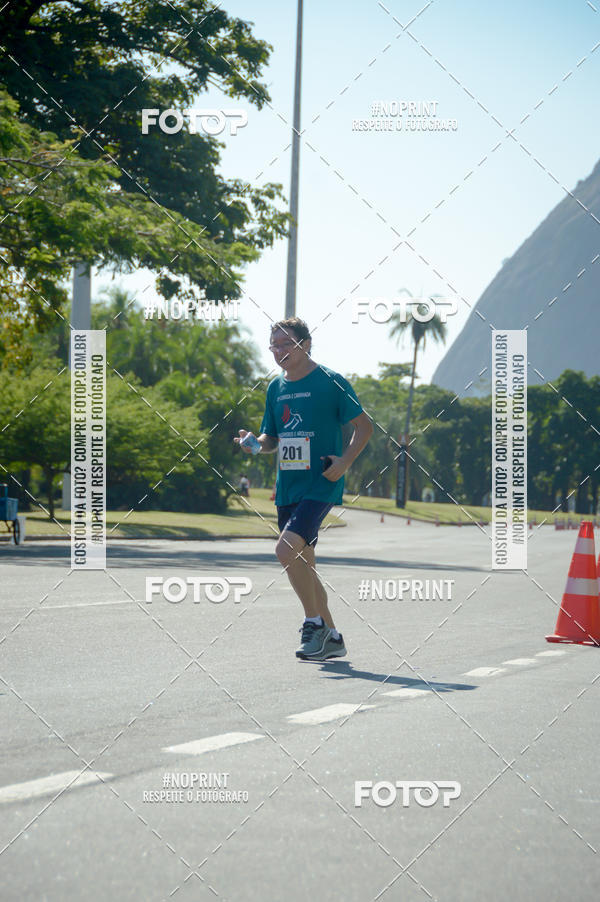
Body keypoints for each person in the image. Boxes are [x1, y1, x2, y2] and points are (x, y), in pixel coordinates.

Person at [234, 317, 373, 660]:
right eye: (274, 346)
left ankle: (313, 625)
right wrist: (254, 444)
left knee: (285, 551)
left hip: (321, 483)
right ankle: (334, 639)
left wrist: (344, 462)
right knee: (305, 564)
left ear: (306, 344)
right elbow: (272, 440)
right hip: (288, 488)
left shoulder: (330, 381)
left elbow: (364, 427)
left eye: (286, 344)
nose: (279, 351)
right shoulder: (275, 388)